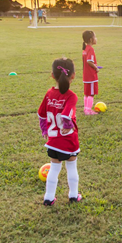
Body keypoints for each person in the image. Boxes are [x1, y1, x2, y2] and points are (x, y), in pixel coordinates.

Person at [37, 57, 83, 205]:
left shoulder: (49, 93)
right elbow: (65, 114)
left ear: (52, 75)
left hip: (53, 141)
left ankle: (49, 198)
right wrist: (68, 126)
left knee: (54, 169)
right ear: (73, 75)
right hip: (68, 141)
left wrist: (45, 129)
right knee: (71, 167)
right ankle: (73, 196)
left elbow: (41, 114)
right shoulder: (71, 96)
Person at [81, 30, 100, 115]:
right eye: (95, 37)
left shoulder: (85, 49)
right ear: (91, 40)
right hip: (91, 76)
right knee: (91, 94)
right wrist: (96, 68)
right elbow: (89, 61)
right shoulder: (90, 49)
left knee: (87, 93)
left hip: (86, 75)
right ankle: (88, 110)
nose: (96, 39)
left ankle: (86, 109)